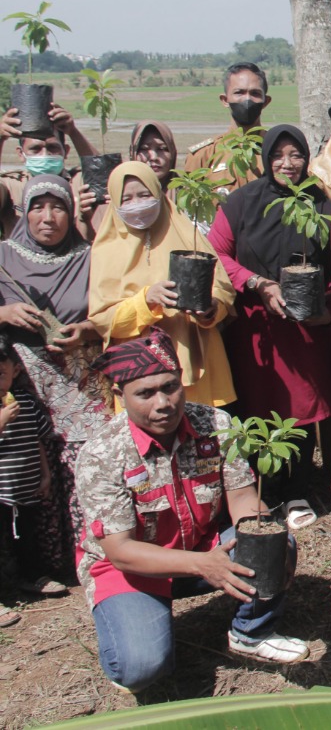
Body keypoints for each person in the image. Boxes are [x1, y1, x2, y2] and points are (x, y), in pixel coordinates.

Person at [76, 328, 309, 693]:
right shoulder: (102, 454)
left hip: (204, 546)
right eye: (145, 394)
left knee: (272, 540)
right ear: (120, 395)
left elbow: (243, 499)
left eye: (170, 387)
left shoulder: (216, 425)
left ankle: (250, 632)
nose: (163, 403)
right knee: (141, 669)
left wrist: (262, 534)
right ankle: (132, 626)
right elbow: (120, 551)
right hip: (131, 568)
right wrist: (202, 565)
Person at [207, 125, 331, 530]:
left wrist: (327, 306)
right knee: (257, 401)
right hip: (256, 327)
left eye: (296, 154)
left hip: (303, 328)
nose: (287, 163)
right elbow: (215, 252)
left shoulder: (321, 203)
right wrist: (257, 282)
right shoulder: (243, 202)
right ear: (266, 159)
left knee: (301, 406)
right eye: (279, 155)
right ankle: (263, 489)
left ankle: (298, 487)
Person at [0, 176, 111, 574]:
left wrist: (86, 330)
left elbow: (111, 309)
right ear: (24, 212)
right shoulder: (3, 257)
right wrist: (4, 314)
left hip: (82, 379)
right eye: (38, 207)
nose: (48, 218)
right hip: (23, 384)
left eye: (58, 207)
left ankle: (93, 559)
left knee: (85, 463)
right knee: (34, 467)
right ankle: (43, 564)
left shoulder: (92, 257)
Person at [88, 162, 236, 408]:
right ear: (113, 202)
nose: (137, 203)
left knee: (205, 439)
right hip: (138, 375)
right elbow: (103, 319)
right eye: (127, 198)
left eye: (145, 195)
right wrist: (146, 301)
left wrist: (211, 308)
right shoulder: (106, 250)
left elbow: (223, 288)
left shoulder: (186, 233)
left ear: (159, 193)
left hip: (197, 363)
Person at [0, 330, 67, 602]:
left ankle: (34, 577)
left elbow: (39, 440)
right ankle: (4, 596)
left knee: (29, 538)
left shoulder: (26, 403)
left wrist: (46, 474)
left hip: (27, 488)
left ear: (15, 372)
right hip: (2, 494)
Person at [0, 111, 97, 240]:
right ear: (20, 154)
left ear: (66, 151)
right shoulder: (11, 185)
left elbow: (101, 174)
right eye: (35, 149)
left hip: (75, 258)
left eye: (53, 147)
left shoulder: (78, 182)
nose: (45, 154)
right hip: (18, 259)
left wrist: (73, 132)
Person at [183, 62, 270, 186]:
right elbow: (190, 202)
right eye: (239, 92)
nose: (247, 99)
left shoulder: (278, 151)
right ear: (225, 100)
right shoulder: (204, 155)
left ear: (266, 101)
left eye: (255, 93)